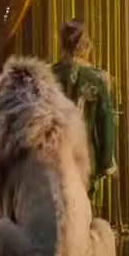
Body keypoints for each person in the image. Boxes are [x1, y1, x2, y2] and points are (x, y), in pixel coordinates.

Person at [51, 19, 117, 196]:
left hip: (54, 160)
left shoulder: (48, 75)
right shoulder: (98, 78)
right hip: (86, 160)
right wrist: (105, 161)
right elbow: (105, 122)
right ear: (84, 44)